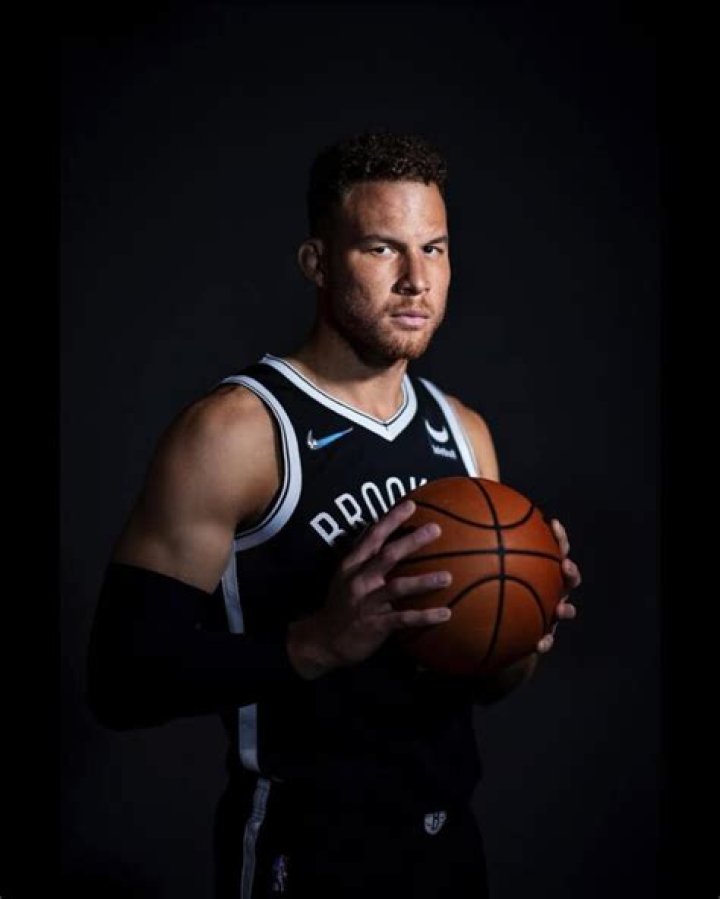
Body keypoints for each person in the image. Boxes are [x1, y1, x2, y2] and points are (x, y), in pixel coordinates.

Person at [87, 130, 581, 899]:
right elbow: (120, 679)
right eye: (382, 249)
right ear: (317, 262)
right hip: (305, 850)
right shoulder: (238, 431)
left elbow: (485, 681)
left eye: (435, 249)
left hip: (451, 845)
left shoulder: (465, 432)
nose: (416, 279)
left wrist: (523, 619)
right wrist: (314, 642)